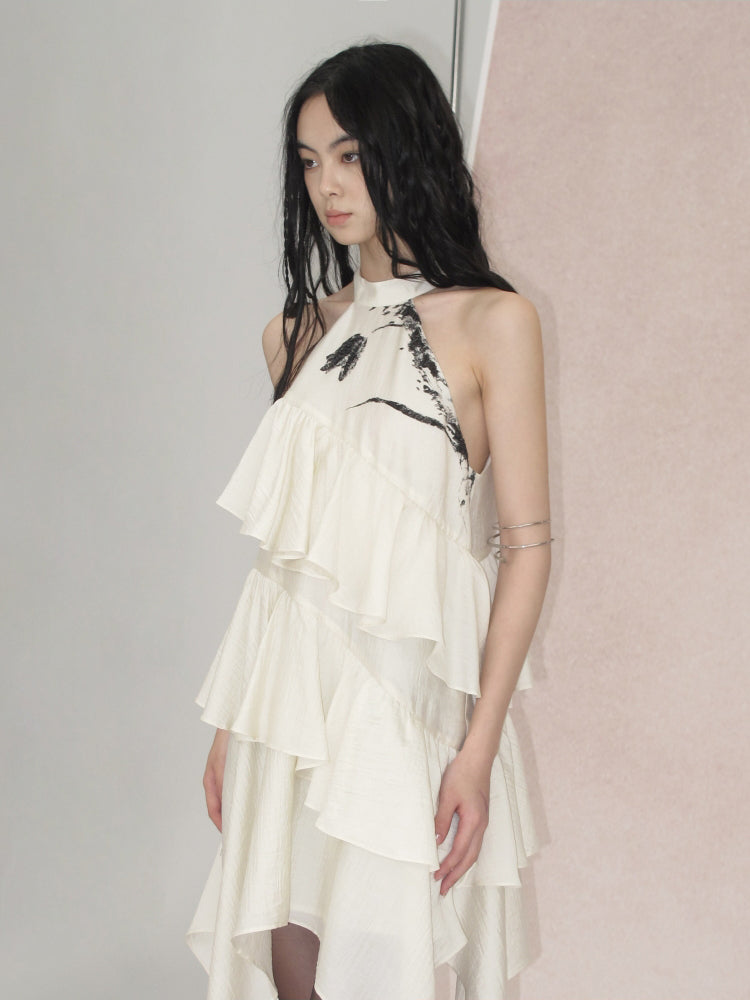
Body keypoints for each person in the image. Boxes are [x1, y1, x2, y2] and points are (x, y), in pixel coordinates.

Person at [187, 41, 551, 1000]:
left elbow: (525, 551)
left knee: (391, 969)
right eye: (309, 162)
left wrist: (477, 750)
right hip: (288, 717)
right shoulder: (295, 336)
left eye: (349, 155)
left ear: (405, 148)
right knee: (294, 977)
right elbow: (286, 554)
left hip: (401, 715)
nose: (328, 186)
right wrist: (233, 723)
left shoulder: (493, 323)